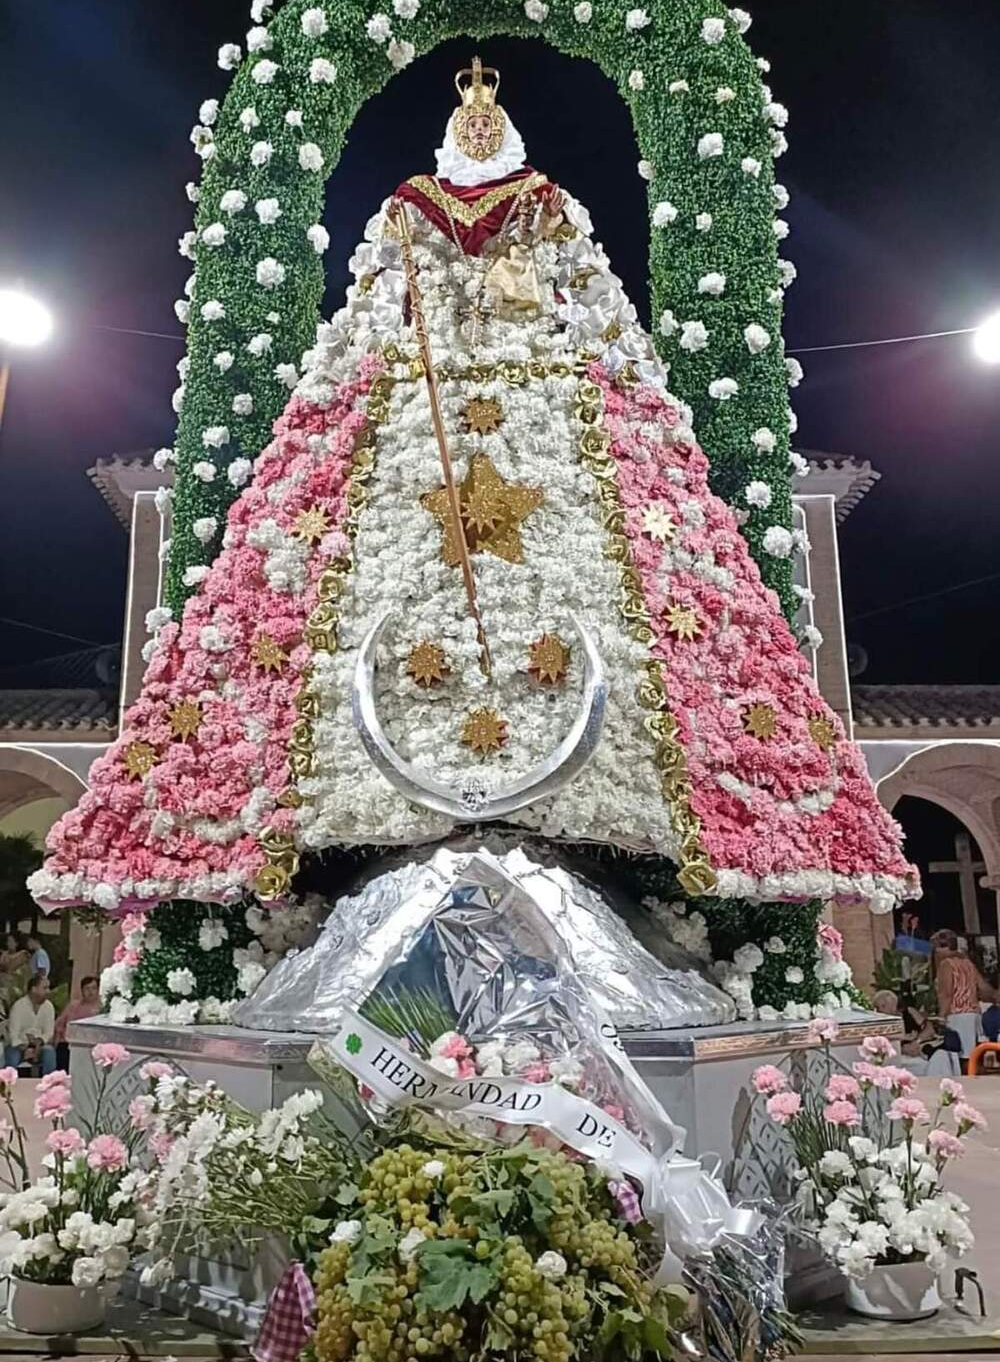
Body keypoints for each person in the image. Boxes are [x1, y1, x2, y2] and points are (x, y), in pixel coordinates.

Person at [32, 57, 917, 921]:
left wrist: (341, 383)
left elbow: (542, 307)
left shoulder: (453, 209)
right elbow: (564, 312)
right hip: (469, 391)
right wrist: (636, 389)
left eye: (484, 119)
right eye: (475, 117)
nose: (479, 128)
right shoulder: (479, 209)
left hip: (473, 390)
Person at [933, 928, 998, 1056]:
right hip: (974, 1016)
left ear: (943, 947)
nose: (935, 952)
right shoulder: (968, 963)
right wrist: (995, 996)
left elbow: (946, 994)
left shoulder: (945, 964)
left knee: (961, 1057)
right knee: (974, 1055)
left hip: (957, 1016)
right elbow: (984, 987)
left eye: (936, 948)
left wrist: (940, 1018)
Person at [5, 974, 57, 1075]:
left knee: (50, 1053)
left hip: (40, 1045)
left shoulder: (48, 1007)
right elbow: (13, 1035)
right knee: (12, 1057)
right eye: (45, 988)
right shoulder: (19, 1006)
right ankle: (8, 1086)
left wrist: (39, 1042)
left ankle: (49, 1086)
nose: (48, 991)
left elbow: (49, 1032)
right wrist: (25, 1048)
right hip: (19, 1046)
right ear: (34, 989)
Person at [53, 975, 101, 1071]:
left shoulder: (101, 1008)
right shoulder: (73, 1006)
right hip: (69, 1043)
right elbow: (60, 1023)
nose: (90, 992)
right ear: (82, 990)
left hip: (91, 1045)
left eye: (93, 988)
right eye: (87, 989)